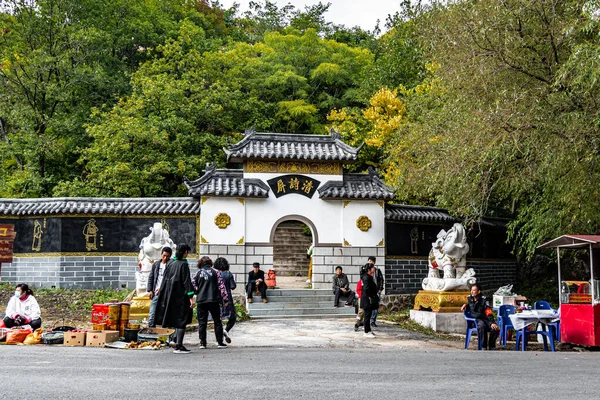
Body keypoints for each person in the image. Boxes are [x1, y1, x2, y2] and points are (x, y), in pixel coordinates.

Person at [154, 243, 194, 354]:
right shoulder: (183, 265)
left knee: (176, 318)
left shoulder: (171, 263)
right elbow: (186, 281)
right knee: (182, 319)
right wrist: (191, 297)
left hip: (170, 296)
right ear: (185, 252)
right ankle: (179, 346)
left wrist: (160, 290)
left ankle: (175, 340)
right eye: (187, 252)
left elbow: (164, 279)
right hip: (180, 296)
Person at [193, 256, 229, 349]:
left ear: (201, 263)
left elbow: (193, 286)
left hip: (201, 301)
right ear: (210, 263)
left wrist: (197, 293)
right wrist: (225, 299)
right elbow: (222, 287)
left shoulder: (198, 273)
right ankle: (220, 342)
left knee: (202, 322)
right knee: (217, 321)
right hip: (214, 300)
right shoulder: (216, 272)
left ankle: (202, 343)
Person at [461, 283, 499, 350]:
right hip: (475, 321)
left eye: (474, 290)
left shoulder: (484, 300)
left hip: (485, 319)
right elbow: (470, 306)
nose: (472, 292)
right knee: (482, 326)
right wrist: (465, 305)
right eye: (471, 290)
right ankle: (483, 346)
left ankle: (491, 346)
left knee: (495, 328)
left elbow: (488, 311)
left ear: (478, 291)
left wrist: (492, 322)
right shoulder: (470, 298)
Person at [146, 246, 172, 328]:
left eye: (167, 256)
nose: (165, 258)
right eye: (164, 255)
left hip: (166, 294)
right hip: (156, 294)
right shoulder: (156, 265)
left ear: (170, 256)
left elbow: (170, 280)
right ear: (161, 255)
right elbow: (151, 277)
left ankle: (166, 331)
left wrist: (161, 288)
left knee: (166, 313)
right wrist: (150, 290)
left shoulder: (171, 265)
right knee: (152, 313)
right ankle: (151, 329)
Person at [214, 257, 236, 344]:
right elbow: (233, 286)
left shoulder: (214, 273)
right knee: (232, 317)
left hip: (217, 298)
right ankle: (226, 330)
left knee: (218, 320)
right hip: (228, 298)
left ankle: (218, 340)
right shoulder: (228, 274)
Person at [361, 264, 379, 338]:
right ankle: (366, 332)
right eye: (372, 268)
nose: (374, 269)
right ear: (369, 270)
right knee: (367, 315)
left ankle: (368, 330)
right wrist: (371, 295)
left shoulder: (368, 277)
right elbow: (366, 288)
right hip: (367, 299)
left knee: (369, 314)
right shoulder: (366, 277)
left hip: (368, 298)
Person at [367, 256, 384, 327]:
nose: (370, 262)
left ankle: (373, 321)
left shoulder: (377, 270)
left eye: (372, 261)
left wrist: (380, 289)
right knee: (367, 306)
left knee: (375, 306)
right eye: (369, 261)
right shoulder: (365, 270)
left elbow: (381, 280)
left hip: (376, 291)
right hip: (368, 291)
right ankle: (366, 320)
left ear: (374, 262)